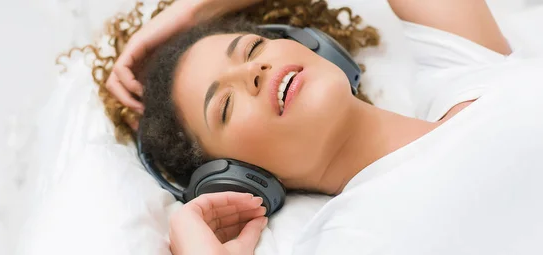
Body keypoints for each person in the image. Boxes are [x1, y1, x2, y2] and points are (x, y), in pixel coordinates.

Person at [97, 0, 543, 254]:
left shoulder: (464, 67)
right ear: (233, 175)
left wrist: (190, 13)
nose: (254, 72)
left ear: (316, 47)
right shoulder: (348, 238)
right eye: (226, 106)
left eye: (252, 49)